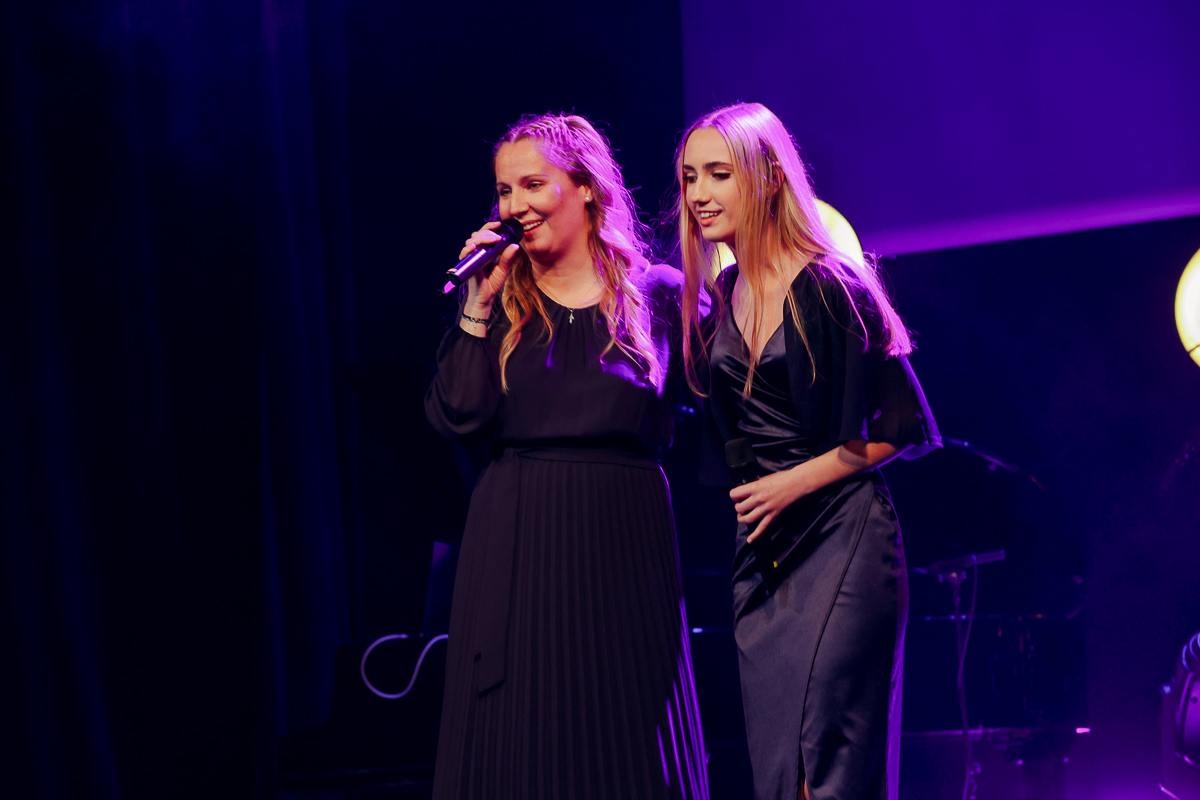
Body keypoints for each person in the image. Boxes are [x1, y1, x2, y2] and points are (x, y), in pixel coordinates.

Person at [425, 113, 708, 800]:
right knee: (522, 741)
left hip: (626, 539)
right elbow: (457, 415)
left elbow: (722, 410)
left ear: (585, 188)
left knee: (628, 739)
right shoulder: (498, 299)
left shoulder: (659, 293)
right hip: (519, 540)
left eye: (532, 185)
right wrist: (476, 306)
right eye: (503, 190)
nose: (514, 205)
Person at [675, 102, 941, 800]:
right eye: (690, 177)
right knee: (778, 769)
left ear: (765, 178)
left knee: (828, 758)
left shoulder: (831, 283)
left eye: (718, 174)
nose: (699, 193)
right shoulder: (721, 293)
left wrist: (795, 482)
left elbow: (905, 423)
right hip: (763, 558)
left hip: (842, 540)